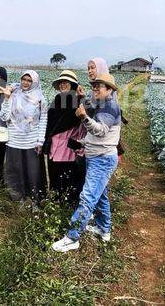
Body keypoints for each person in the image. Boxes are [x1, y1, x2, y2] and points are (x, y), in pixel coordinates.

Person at [52, 73, 122, 252]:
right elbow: (95, 136)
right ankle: (103, 229)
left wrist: (83, 117)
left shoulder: (110, 107)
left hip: (102, 159)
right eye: (94, 85)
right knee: (101, 195)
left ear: (110, 90)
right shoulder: (101, 105)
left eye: (100, 86)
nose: (96, 88)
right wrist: (82, 143)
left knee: (88, 197)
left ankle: (72, 237)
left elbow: (100, 131)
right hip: (97, 156)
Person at [0, 70, 48, 207]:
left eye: (29, 80)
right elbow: (4, 117)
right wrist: (7, 98)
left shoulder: (40, 99)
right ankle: (18, 200)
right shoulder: (14, 94)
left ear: (34, 82)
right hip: (14, 140)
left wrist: (40, 141)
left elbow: (43, 120)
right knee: (16, 171)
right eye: (24, 79)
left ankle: (35, 201)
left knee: (33, 173)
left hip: (32, 141)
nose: (25, 83)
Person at [42, 70, 86, 205]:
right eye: (61, 83)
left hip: (67, 147)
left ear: (73, 84)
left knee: (66, 176)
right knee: (55, 174)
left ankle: (66, 205)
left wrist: (82, 98)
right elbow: (49, 123)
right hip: (54, 146)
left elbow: (83, 121)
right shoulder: (57, 100)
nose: (62, 85)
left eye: (66, 83)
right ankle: (56, 202)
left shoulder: (78, 101)